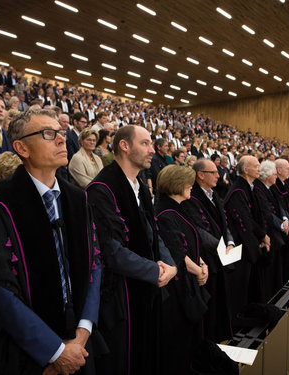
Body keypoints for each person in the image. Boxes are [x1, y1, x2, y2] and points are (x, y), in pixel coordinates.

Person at [0, 108, 101, 374]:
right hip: (27, 353)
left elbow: (95, 263)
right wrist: (55, 352)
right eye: (49, 134)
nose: (61, 139)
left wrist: (83, 331)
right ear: (21, 148)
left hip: (80, 342)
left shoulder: (78, 199)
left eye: (60, 132)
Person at [86, 125, 177, 375]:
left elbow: (152, 232)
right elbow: (111, 251)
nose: (152, 150)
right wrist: (155, 271)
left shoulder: (138, 186)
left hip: (146, 287)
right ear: (124, 146)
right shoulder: (101, 189)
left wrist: (170, 265)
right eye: (145, 144)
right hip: (121, 296)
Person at [154, 165, 209, 374]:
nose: (191, 187)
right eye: (188, 183)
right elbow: (176, 252)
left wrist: (202, 263)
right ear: (177, 184)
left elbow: (191, 243)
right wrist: (199, 270)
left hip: (191, 279)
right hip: (179, 289)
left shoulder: (176, 208)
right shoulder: (166, 212)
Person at [180, 158, 236, 342]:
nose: (218, 175)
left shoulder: (213, 194)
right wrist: (221, 249)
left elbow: (224, 222)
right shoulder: (191, 196)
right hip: (207, 257)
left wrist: (230, 243)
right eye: (214, 172)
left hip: (221, 254)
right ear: (201, 175)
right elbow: (198, 230)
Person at [224, 156, 270, 306]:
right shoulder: (238, 191)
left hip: (252, 241)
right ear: (245, 170)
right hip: (240, 246)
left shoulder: (250, 187)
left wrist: (262, 234)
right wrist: (260, 238)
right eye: (256, 166)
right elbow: (244, 221)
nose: (259, 169)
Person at [253, 160, 288, 300]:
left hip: (276, 232)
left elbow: (279, 207)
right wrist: (281, 224)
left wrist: (284, 219)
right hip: (269, 233)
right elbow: (266, 213)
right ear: (268, 176)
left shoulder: (270, 188)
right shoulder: (259, 189)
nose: (275, 177)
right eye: (274, 174)